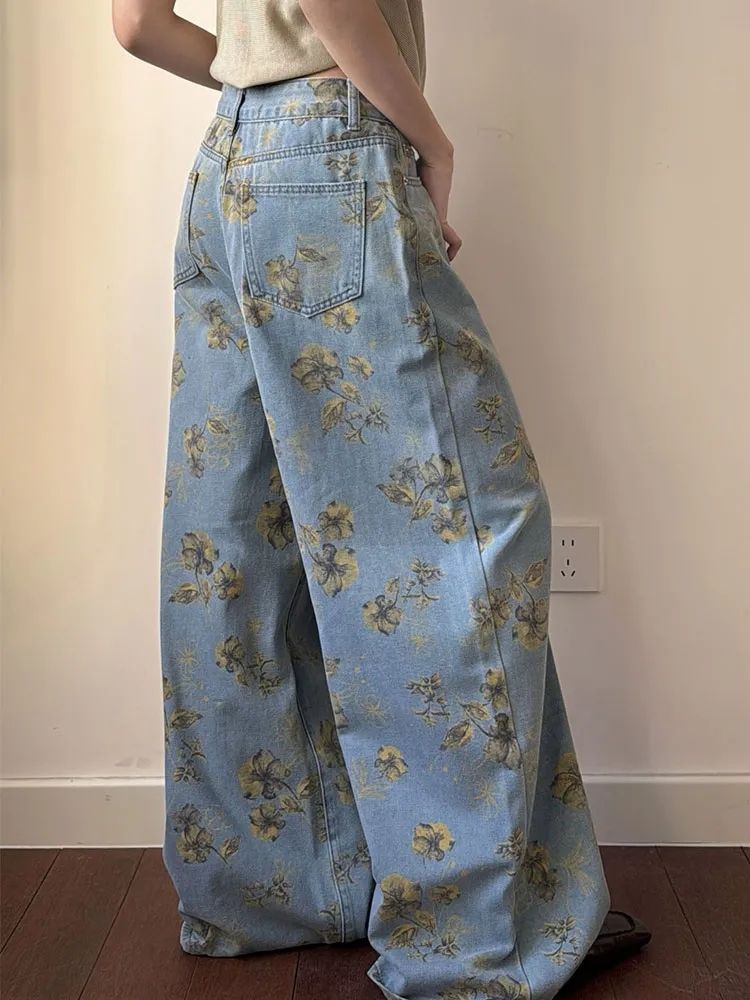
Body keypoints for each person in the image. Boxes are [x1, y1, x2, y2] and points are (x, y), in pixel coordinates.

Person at [112, 2, 651, 997]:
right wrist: (429, 138)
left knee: (240, 540)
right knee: (454, 535)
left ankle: (274, 892)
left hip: (226, 171)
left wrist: (252, 72)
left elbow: (137, 24)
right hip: (333, 157)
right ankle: (477, 939)